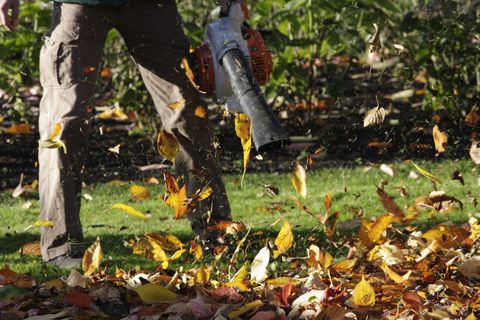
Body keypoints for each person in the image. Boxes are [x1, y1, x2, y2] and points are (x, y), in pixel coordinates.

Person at [0, 0, 233, 269]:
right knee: (64, 123)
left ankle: (216, 235)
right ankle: (62, 249)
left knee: (187, 114)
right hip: (78, 5)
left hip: (152, 6)